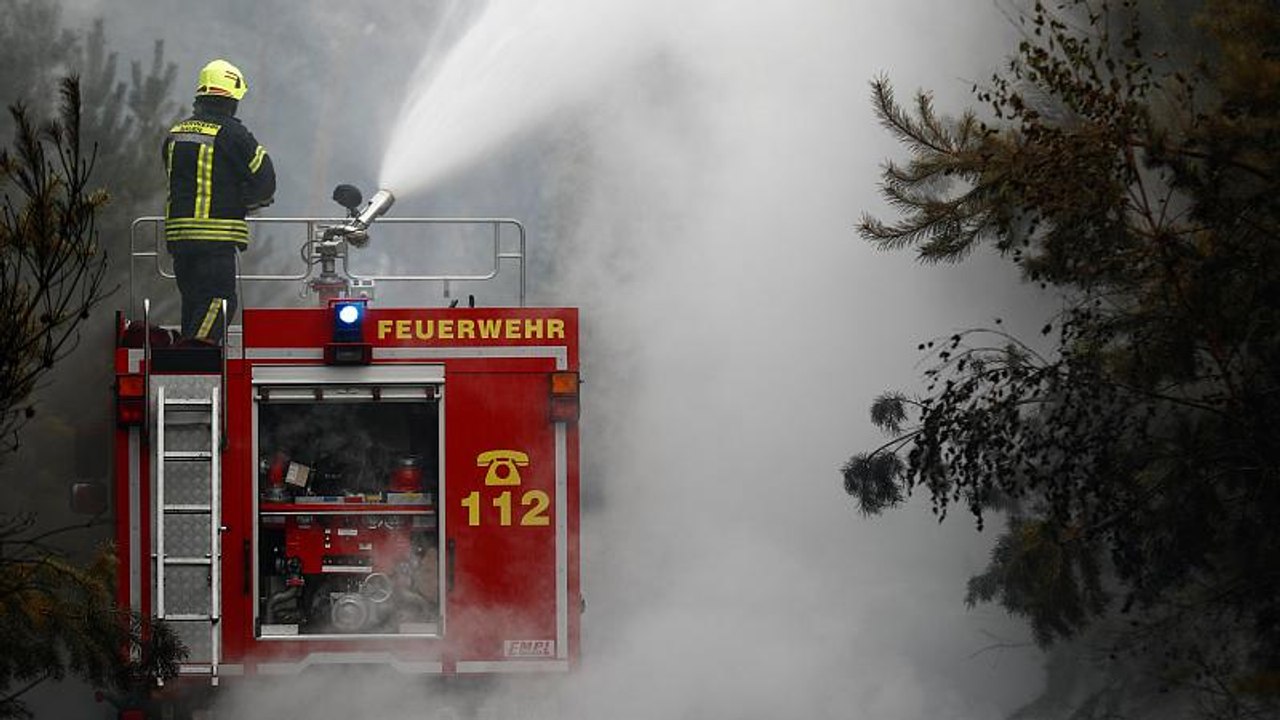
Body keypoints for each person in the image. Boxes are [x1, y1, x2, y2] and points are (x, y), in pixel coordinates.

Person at [163, 58, 275, 343]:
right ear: (233, 98)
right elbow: (265, 182)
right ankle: (191, 360)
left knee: (195, 304)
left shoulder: (176, 133)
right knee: (220, 302)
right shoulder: (233, 134)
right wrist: (246, 199)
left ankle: (184, 360)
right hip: (214, 240)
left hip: (179, 240)